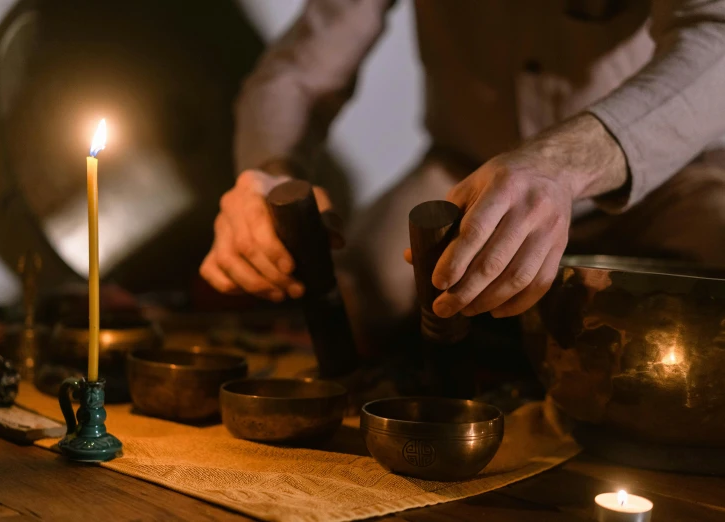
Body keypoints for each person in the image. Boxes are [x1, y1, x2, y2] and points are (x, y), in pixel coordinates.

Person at [200, 0, 725, 338]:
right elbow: (300, 71)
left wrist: (559, 164)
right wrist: (269, 174)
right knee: (360, 290)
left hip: (676, 178)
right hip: (463, 174)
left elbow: (716, 37)